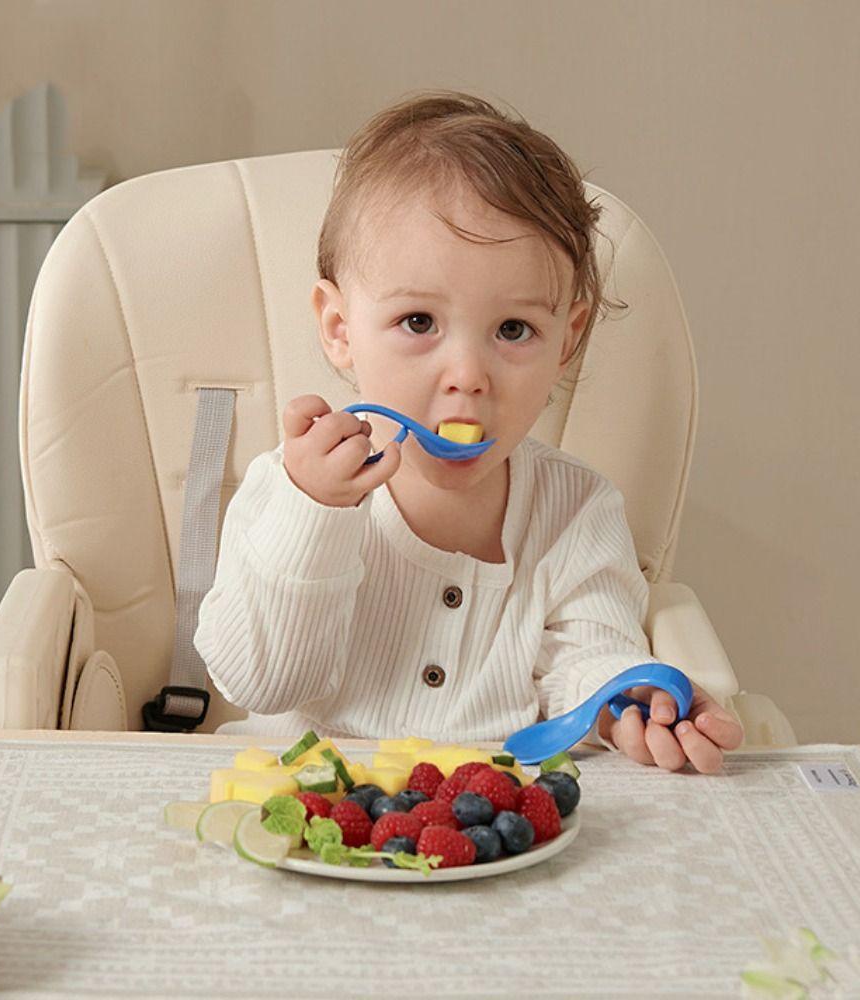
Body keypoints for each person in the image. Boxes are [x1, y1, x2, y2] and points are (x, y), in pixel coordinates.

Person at [194, 90, 743, 774]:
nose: (468, 375)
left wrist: (622, 697)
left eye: (514, 331)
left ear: (566, 341)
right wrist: (316, 515)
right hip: (307, 817)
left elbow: (590, 654)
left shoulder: (577, 512)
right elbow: (259, 683)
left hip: (493, 832)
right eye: (419, 323)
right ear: (340, 330)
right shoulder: (289, 491)